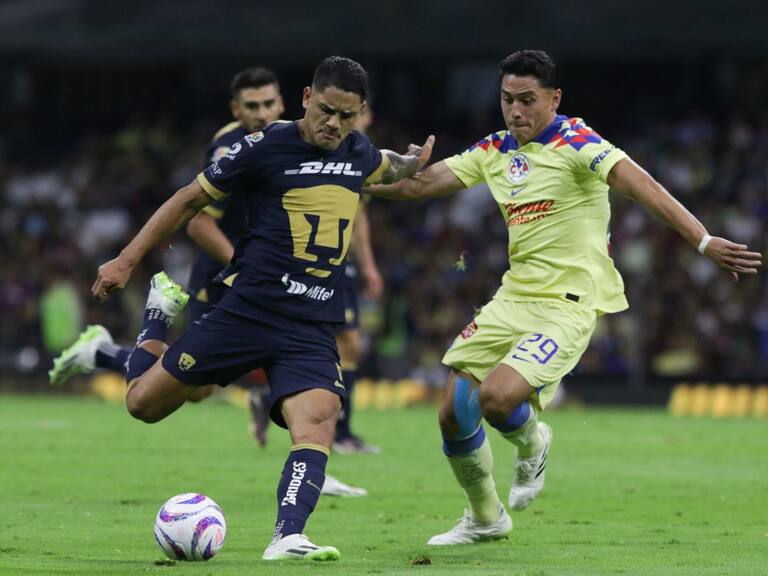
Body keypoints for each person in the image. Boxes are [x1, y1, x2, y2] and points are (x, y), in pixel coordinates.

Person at [366, 49, 761, 545]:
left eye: (527, 100)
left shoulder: (577, 141)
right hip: (512, 298)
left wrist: (702, 241)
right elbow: (419, 186)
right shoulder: (494, 149)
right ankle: (486, 518)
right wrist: (350, 175)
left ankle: (534, 441)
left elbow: (644, 186)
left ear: (554, 98)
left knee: (496, 399)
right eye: (507, 99)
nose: (515, 111)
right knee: (453, 412)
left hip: (568, 303)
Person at [90, 55, 433, 561]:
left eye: (347, 115)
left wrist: (413, 160)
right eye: (326, 110)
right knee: (143, 404)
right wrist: (126, 259)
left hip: (310, 322)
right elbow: (188, 200)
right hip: (247, 311)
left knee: (319, 418)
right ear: (306, 98)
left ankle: (287, 536)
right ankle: (157, 317)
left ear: (360, 113)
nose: (334, 123)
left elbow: (389, 167)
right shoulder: (264, 145)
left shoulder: (358, 151)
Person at [49, 66, 368, 497]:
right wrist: (260, 271)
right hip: (229, 277)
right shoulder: (236, 148)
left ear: (285, 101)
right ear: (236, 109)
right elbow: (198, 220)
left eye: (268, 103)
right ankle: (137, 333)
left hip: (264, 281)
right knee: (189, 390)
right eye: (252, 106)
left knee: (208, 384)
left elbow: (365, 185)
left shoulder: (318, 144)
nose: (261, 113)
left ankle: (306, 452)